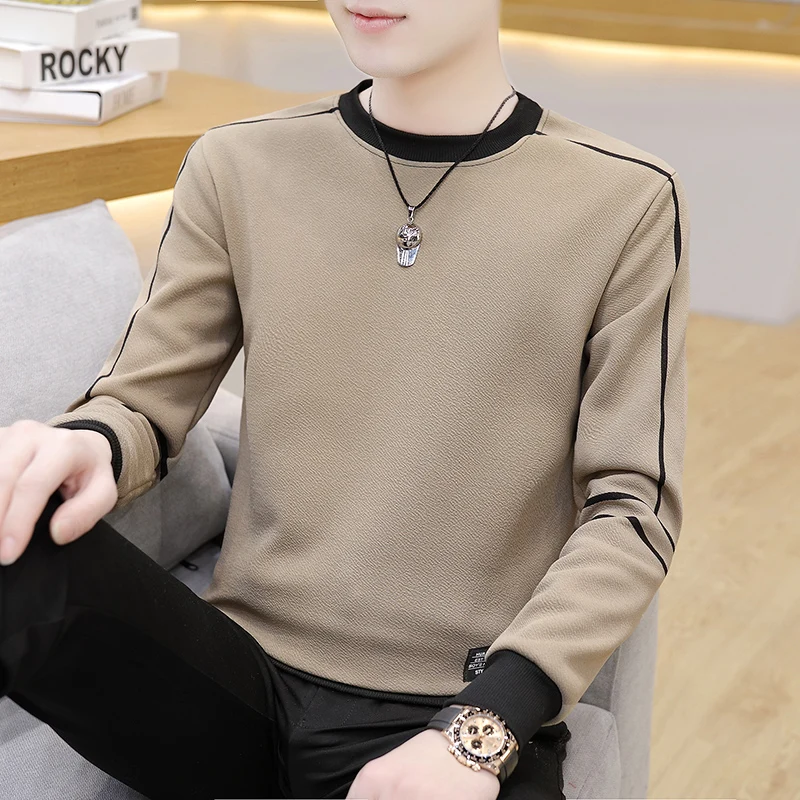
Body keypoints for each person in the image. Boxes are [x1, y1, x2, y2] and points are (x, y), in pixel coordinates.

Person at [0, 1, 691, 798]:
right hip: (232, 678)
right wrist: (88, 443)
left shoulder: (625, 201)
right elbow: (142, 398)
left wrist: (482, 731)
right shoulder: (238, 163)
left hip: (452, 710)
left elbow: (633, 508)